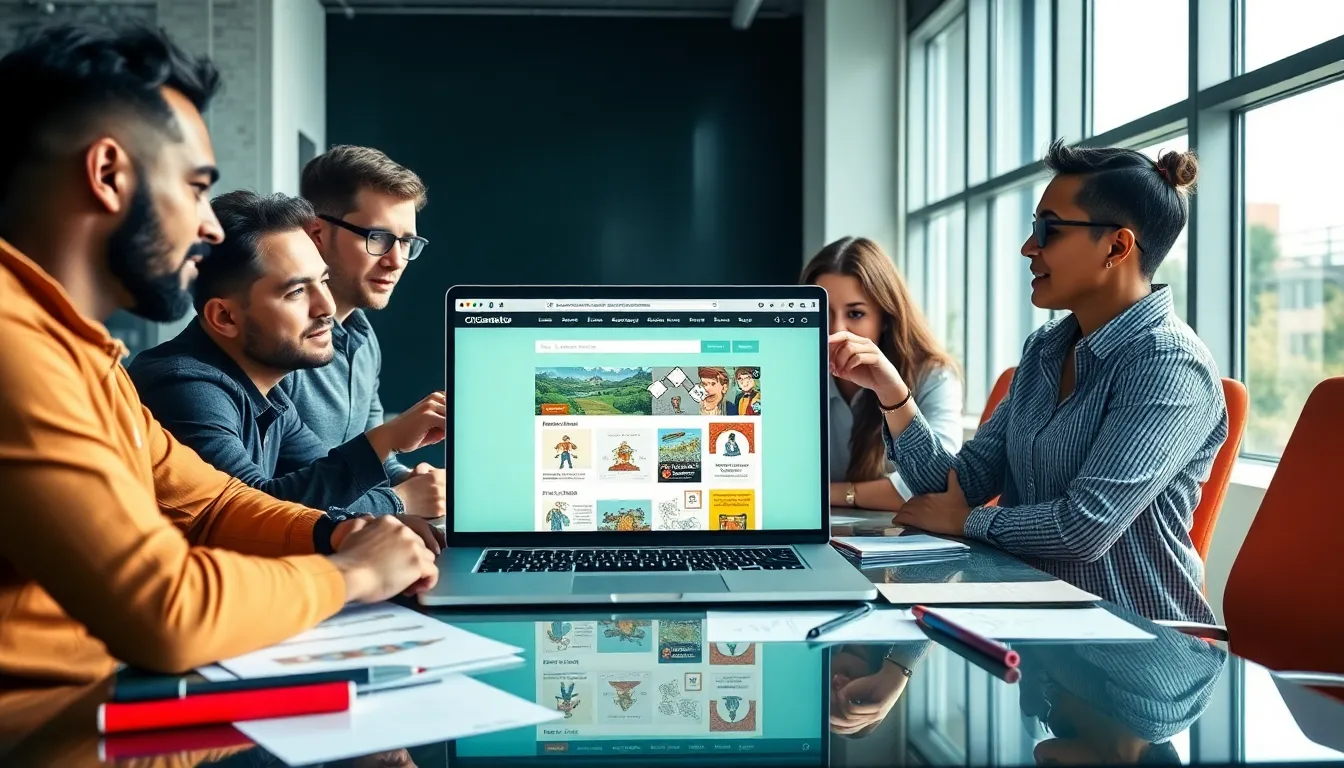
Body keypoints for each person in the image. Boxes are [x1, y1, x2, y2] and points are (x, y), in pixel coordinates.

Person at [0, 23, 440, 685]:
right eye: (196, 187)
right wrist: (347, 571)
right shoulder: (16, 350)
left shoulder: (87, 358)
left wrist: (335, 535)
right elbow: (166, 611)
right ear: (109, 174)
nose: (208, 227)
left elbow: (215, 504)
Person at [829, 139, 1228, 624]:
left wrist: (966, 522)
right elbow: (960, 482)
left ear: (1117, 246)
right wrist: (892, 392)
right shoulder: (1044, 350)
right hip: (1036, 623)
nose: (1028, 247)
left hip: (1136, 643)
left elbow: (1085, 527)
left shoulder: (1168, 364)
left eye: (1048, 230)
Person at [128, 190, 446, 518]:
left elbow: (323, 490)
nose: (327, 307)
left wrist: (403, 493)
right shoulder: (182, 386)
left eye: (324, 282)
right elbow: (256, 514)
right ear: (225, 317)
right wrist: (395, 477)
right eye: (296, 292)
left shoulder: (269, 391)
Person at [285, 145, 445, 517]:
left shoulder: (363, 338)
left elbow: (372, 461)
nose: (396, 261)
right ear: (317, 234)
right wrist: (403, 501)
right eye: (378, 237)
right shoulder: (280, 346)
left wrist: (415, 481)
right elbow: (285, 493)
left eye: (406, 242)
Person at [802, 237, 963, 512]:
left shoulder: (933, 376)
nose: (836, 331)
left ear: (885, 318)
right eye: (823, 313)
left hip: (898, 539)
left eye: (855, 313)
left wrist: (828, 493)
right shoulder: (793, 374)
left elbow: (939, 484)